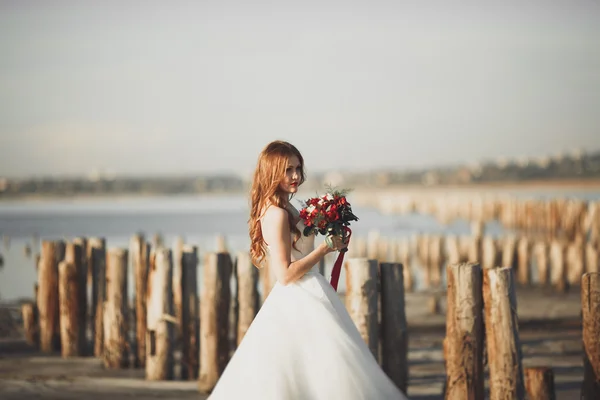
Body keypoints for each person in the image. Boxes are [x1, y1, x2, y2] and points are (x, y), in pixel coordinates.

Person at [207, 140, 409, 400]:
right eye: (288, 169)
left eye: (298, 168)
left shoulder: (288, 207)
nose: (295, 176)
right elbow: (285, 274)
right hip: (297, 297)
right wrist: (324, 249)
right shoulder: (277, 214)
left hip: (311, 290)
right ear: (271, 172)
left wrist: (330, 230)